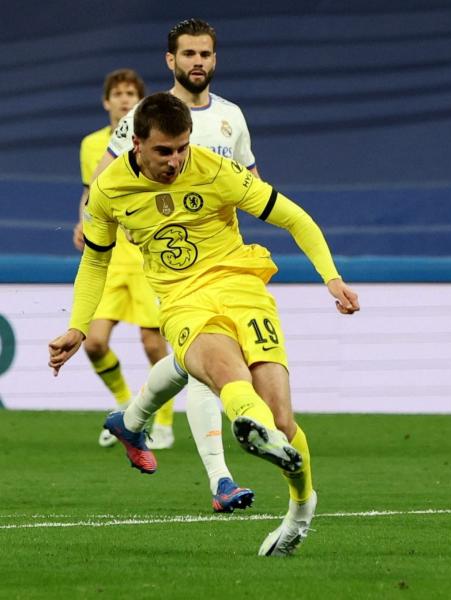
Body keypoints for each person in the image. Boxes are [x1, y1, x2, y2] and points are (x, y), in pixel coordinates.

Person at [49, 91, 360, 556]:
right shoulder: (109, 189)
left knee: (282, 418)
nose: (175, 161)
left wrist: (331, 277)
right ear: (137, 143)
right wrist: (78, 326)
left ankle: (300, 506)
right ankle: (247, 434)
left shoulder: (217, 170)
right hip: (183, 300)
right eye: (163, 151)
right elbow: (95, 262)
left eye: (182, 148)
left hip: (243, 286)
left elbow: (294, 218)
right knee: (223, 371)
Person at [78, 18, 262, 513]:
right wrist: (88, 221)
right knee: (203, 362)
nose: (197, 62)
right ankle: (221, 480)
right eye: (188, 54)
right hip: (171, 263)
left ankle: (131, 418)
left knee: (191, 361)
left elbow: (251, 181)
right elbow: (104, 180)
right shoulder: (144, 115)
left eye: (205, 54)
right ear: (171, 60)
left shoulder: (231, 118)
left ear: (214, 60)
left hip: (226, 264)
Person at [75, 69, 170, 450]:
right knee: (94, 342)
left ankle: (162, 421)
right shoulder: (90, 144)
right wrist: (80, 221)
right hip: (110, 255)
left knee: (152, 342)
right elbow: (91, 190)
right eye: (118, 93)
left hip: (143, 251)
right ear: (106, 101)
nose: (125, 99)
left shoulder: (153, 143)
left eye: (132, 93)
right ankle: (125, 406)